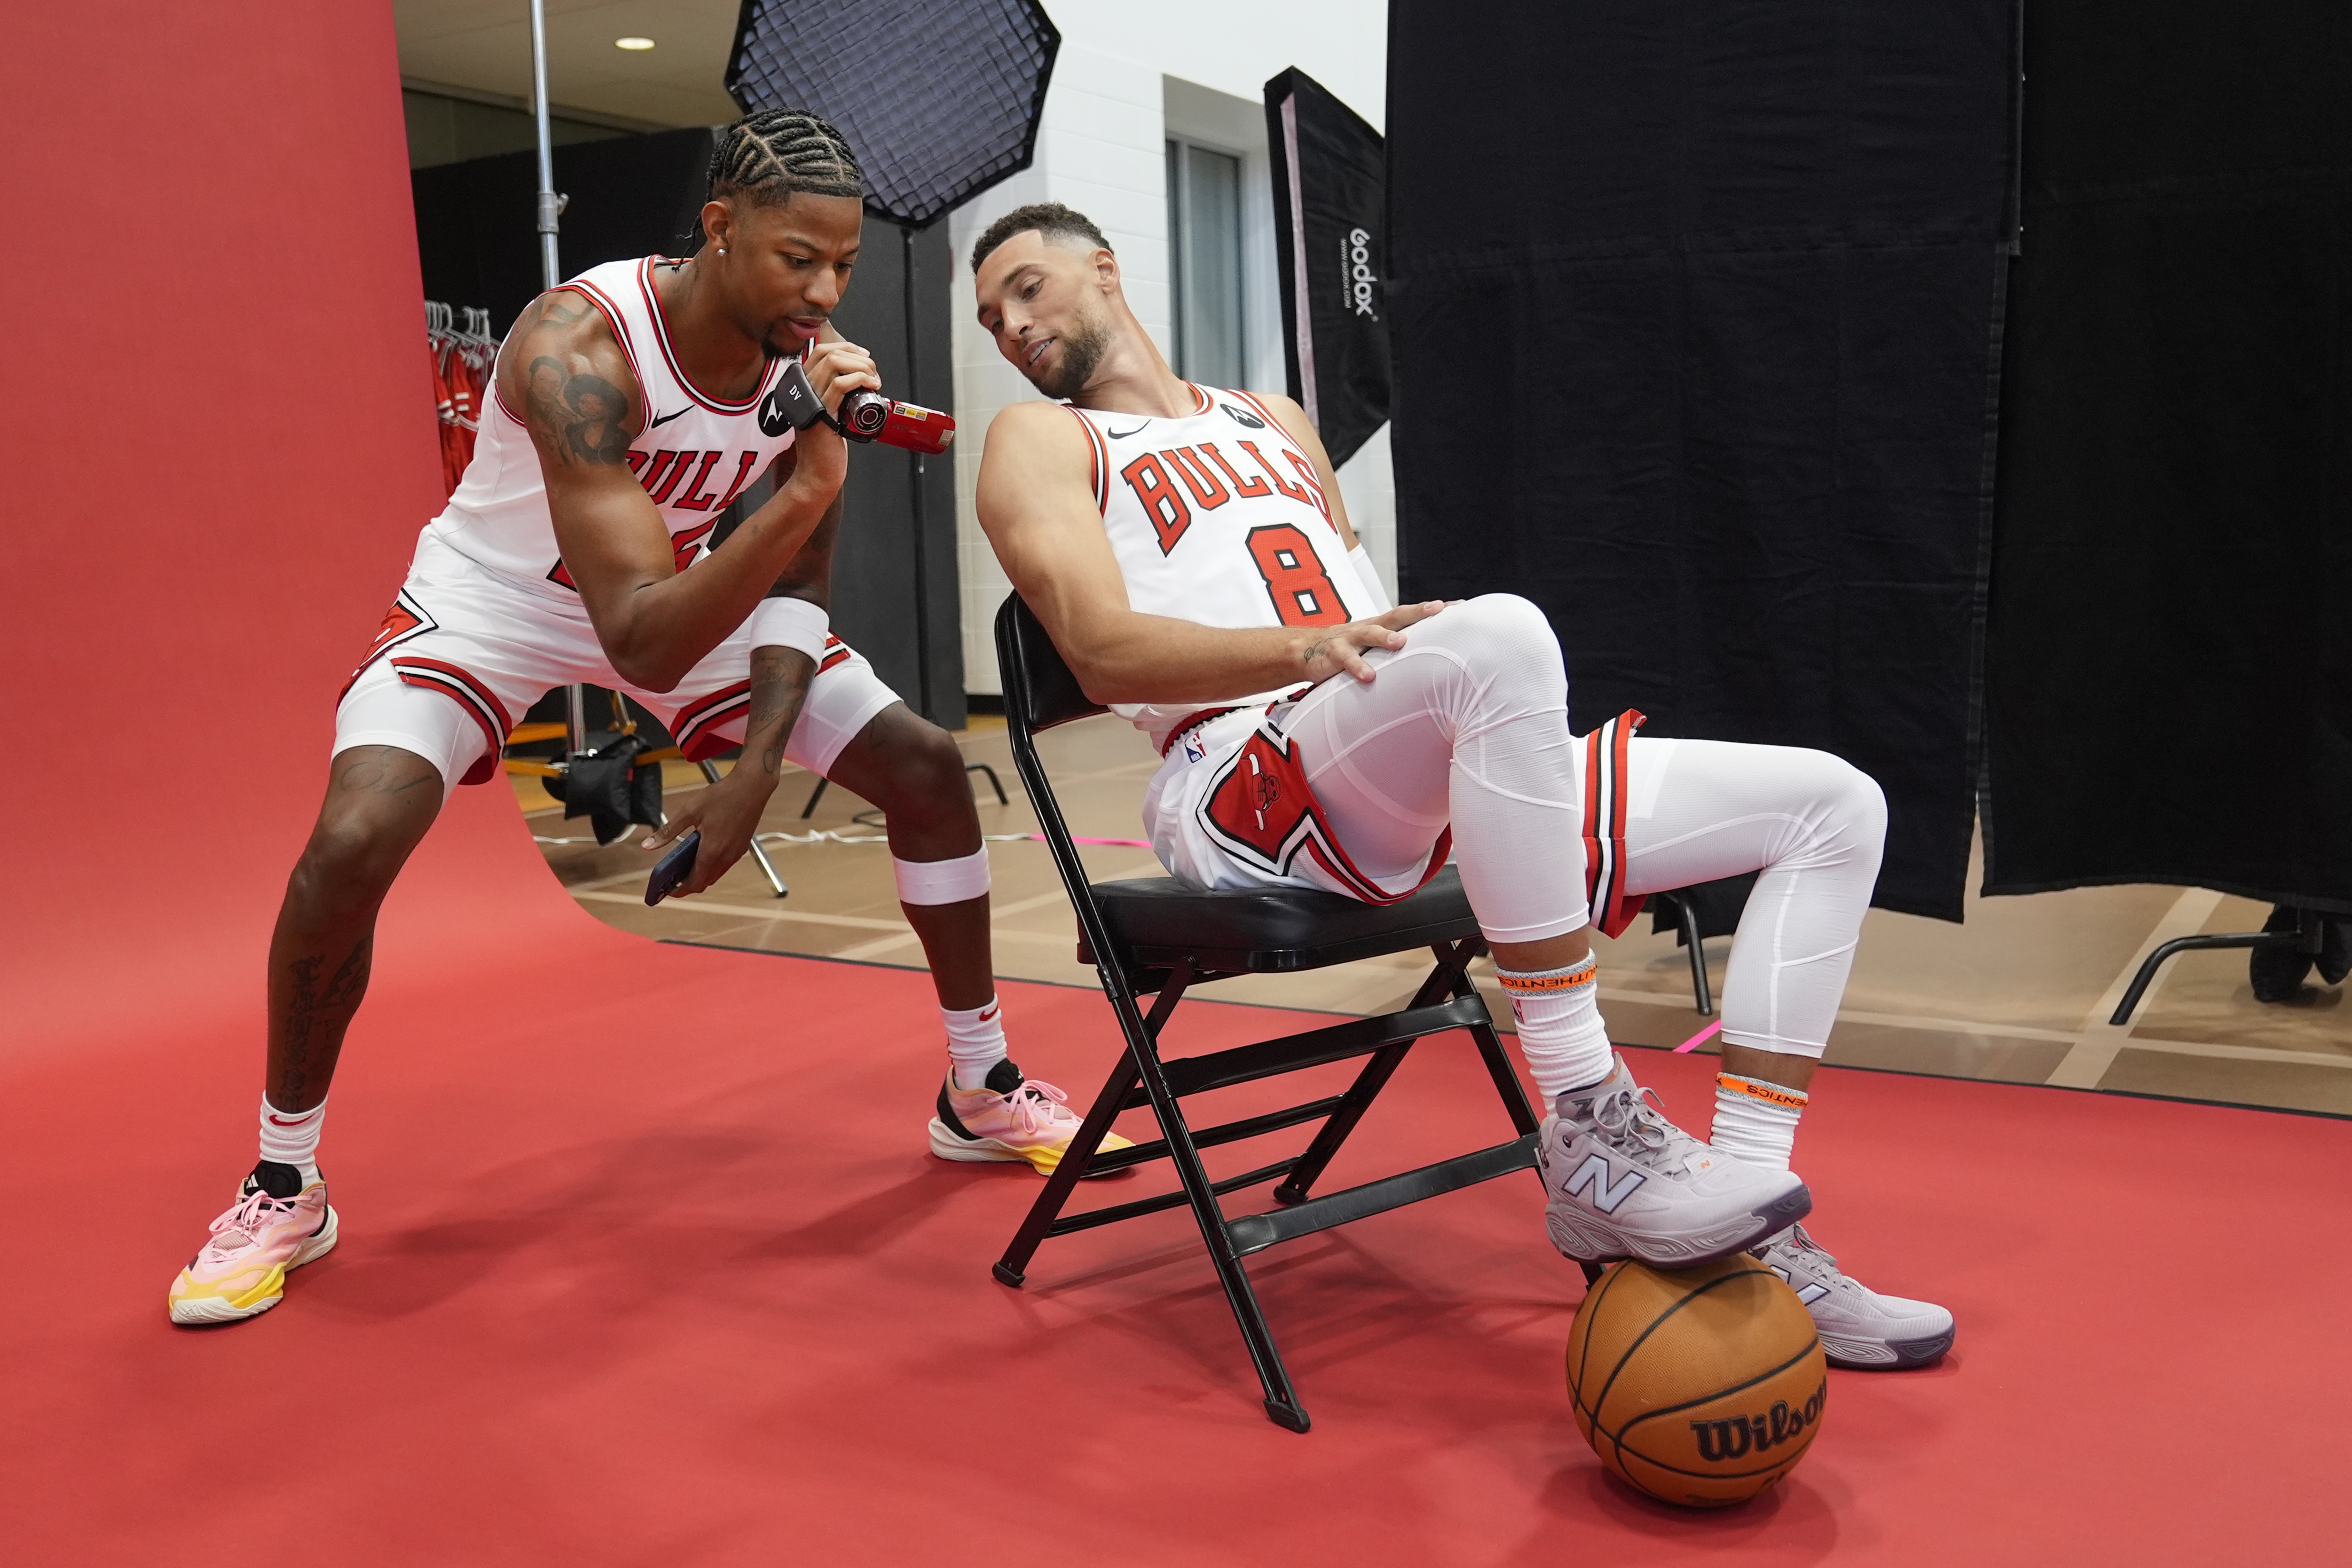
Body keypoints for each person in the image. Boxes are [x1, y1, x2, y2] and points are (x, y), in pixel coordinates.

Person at [168, 114, 1118, 1328]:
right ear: (718, 229)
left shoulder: (805, 356)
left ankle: (979, 1086)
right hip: (499, 605)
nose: (824, 293)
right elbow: (637, 641)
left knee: (930, 770)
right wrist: (817, 480)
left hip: (679, 593)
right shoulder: (580, 347)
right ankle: (283, 1177)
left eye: (843, 265)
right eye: (797, 260)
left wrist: (756, 770)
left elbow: (795, 590)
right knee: (351, 842)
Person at [965, 202, 1954, 1369]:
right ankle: (1588, 1123)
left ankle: (1748, 1207)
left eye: (1027, 287)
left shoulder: (1271, 417)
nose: (1011, 325)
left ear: (1104, 268)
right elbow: (1100, 650)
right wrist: (1300, 654)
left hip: (1384, 768)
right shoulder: (1036, 439)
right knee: (1500, 636)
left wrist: (1374, 675)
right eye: (989, 316)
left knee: (1834, 805)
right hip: (1241, 777)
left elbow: (1371, 625)